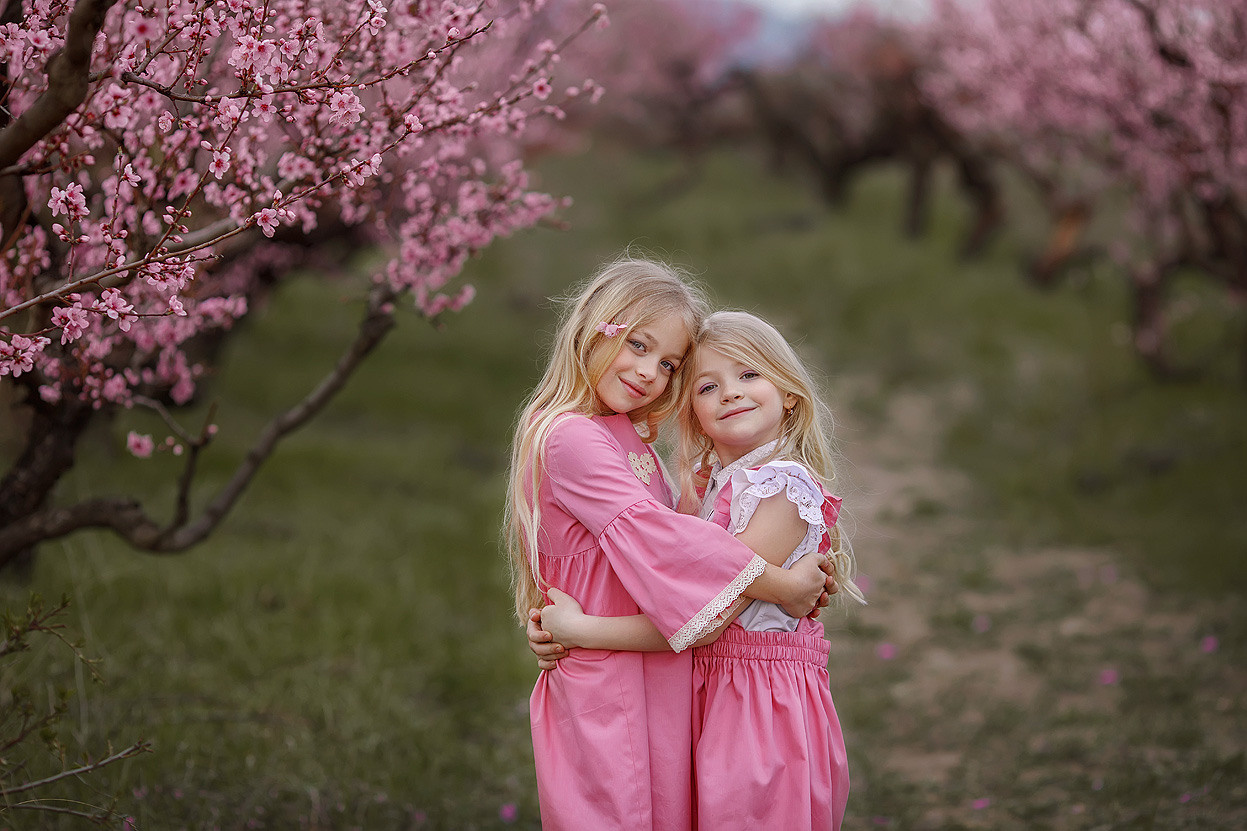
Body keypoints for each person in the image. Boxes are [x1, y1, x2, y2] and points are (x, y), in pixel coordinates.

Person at [505, 259, 836, 831]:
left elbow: (679, 545)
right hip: (618, 675)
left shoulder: (626, 434)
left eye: (667, 364)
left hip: (665, 666)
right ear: (594, 325)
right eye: (637, 344)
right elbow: (663, 542)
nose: (647, 371)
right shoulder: (571, 436)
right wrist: (779, 582)